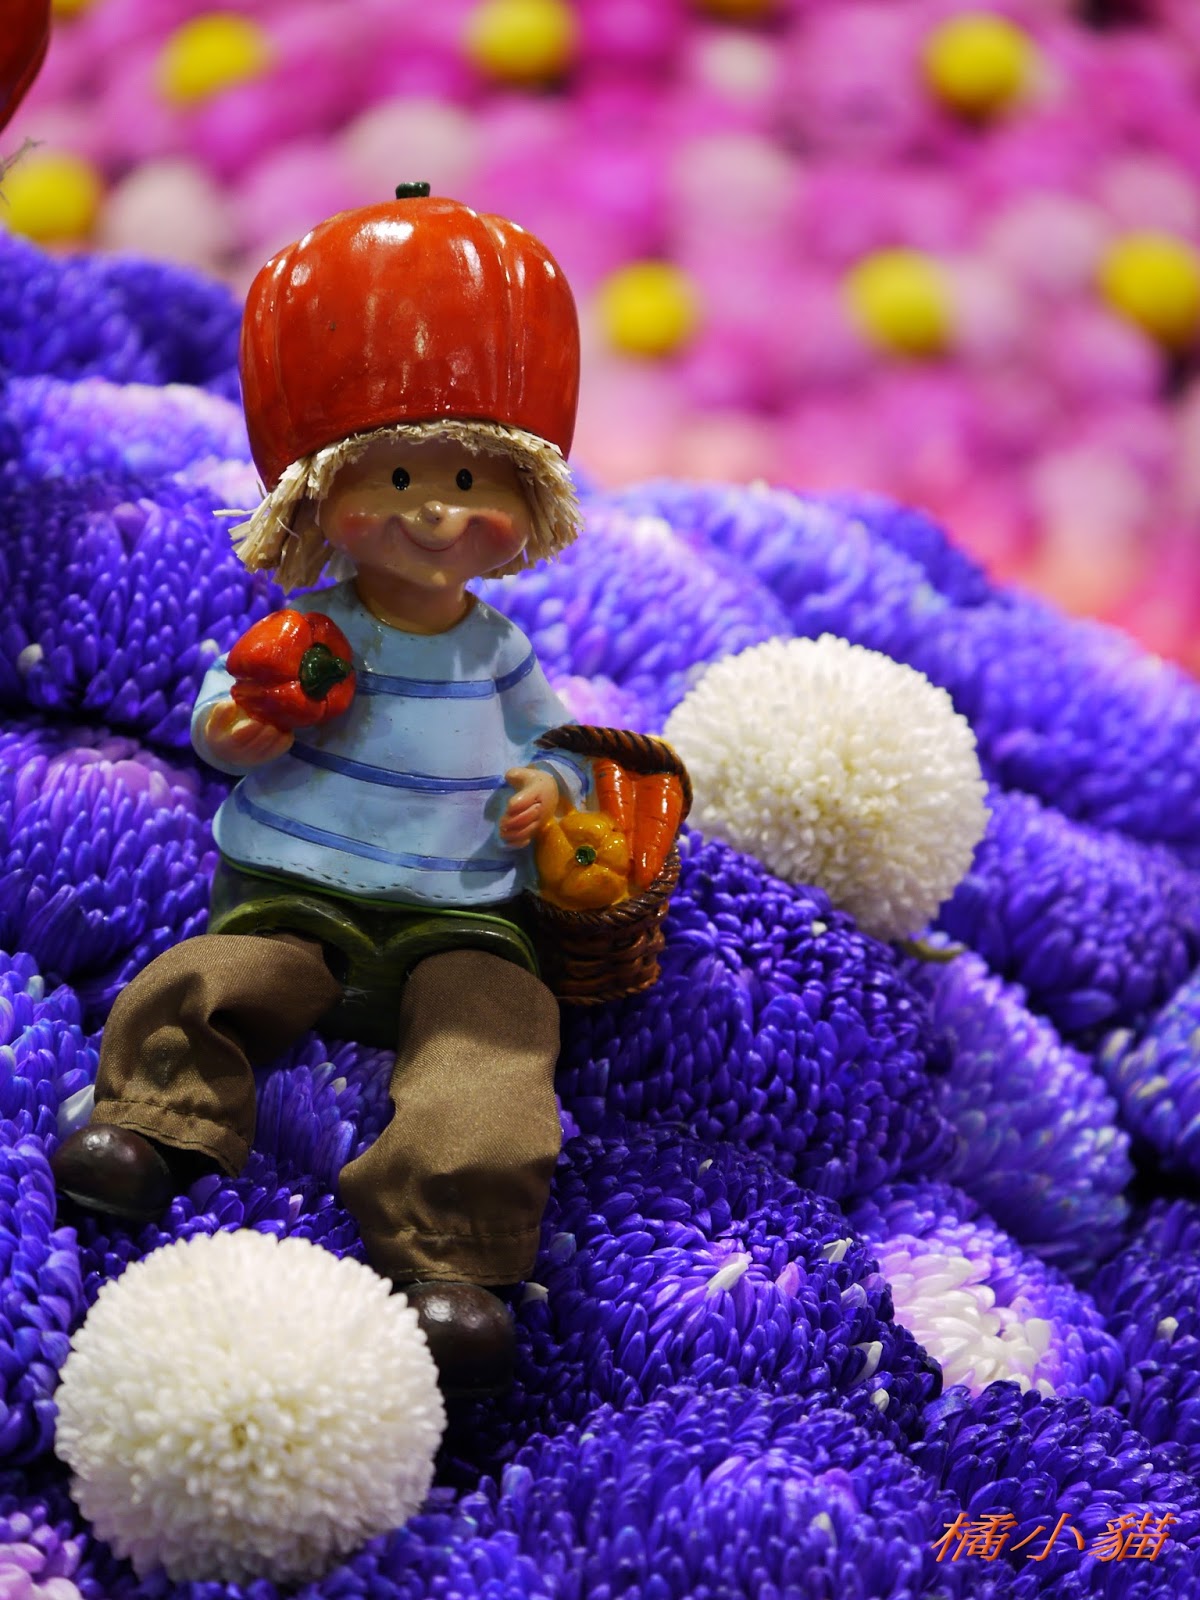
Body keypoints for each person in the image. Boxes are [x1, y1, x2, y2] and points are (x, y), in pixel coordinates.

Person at [51, 184, 587, 1398]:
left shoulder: (498, 650)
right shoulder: (307, 631)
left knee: (498, 1042)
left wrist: (548, 790)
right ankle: (151, 1118)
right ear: (320, 495)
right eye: (394, 476)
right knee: (208, 978)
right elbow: (225, 722)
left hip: (461, 911)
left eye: (471, 475)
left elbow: (556, 742)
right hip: (295, 891)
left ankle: (453, 1254)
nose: (436, 507)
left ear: (527, 500)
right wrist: (245, 725)